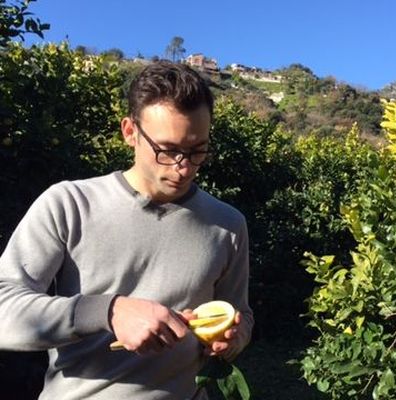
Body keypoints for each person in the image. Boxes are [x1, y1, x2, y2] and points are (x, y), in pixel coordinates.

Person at [0, 60, 253, 399]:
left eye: (197, 151)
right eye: (167, 150)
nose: (184, 168)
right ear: (130, 132)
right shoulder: (69, 204)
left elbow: (241, 313)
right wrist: (108, 311)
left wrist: (233, 339)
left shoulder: (229, 224)